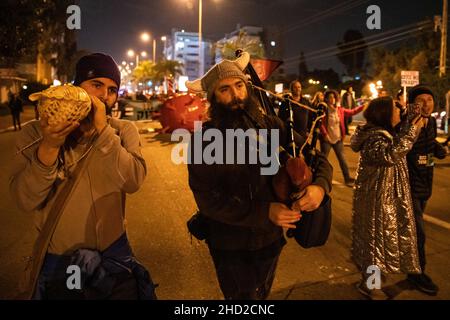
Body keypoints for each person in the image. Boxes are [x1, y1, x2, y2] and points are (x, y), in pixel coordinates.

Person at [9, 53, 157, 300]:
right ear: (76, 88)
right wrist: (49, 147)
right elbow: (25, 200)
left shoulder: (122, 131)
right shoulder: (35, 132)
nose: (104, 96)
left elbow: (133, 180)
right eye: (96, 85)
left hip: (115, 256)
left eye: (112, 89)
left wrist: (103, 133)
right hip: (60, 264)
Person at [186, 53, 332, 300]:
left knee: (262, 293)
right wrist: (264, 212)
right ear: (213, 98)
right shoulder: (204, 141)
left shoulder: (269, 126)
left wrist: (320, 187)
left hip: (270, 241)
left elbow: (316, 158)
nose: (236, 94)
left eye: (239, 85)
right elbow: (208, 201)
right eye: (225, 89)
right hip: (230, 247)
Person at [351, 96, 425, 299]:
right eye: (396, 107)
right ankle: (371, 285)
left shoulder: (384, 133)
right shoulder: (375, 137)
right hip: (376, 201)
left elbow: (400, 148)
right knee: (375, 243)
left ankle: (370, 280)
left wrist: (411, 126)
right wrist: (410, 132)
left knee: (379, 242)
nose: (400, 109)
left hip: (384, 199)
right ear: (383, 113)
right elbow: (389, 155)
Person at [405, 85, 447, 296]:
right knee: (418, 233)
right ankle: (416, 273)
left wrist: (438, 150)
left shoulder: (430, 121)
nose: (426, 104)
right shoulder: (408, 123)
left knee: (412, 232)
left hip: (425, 184)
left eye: (429, 99)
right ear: (413, 104)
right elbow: (404, 150)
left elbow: (427, 147)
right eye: (420, 100)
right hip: (409, 186)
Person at [320, 90, 365, 187]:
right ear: (326, 99)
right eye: (330, 97)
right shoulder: (324, 109)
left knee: (343, 160)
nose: (332, 99)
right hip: (327, 140)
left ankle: (347, 179)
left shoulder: (339, 109)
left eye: (334, 97)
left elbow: (352, 112)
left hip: (338, 139)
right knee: (322, 160)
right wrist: (325, 135)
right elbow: (320, 123)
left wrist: (363, 106)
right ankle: (318, 178)